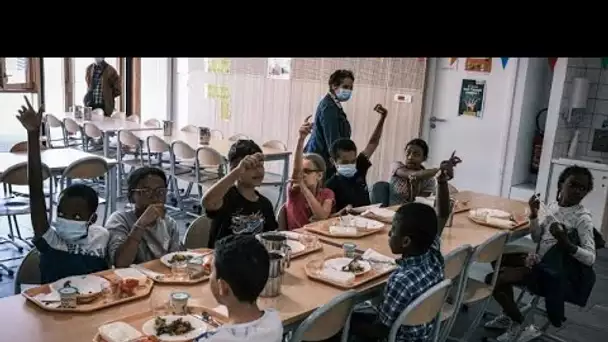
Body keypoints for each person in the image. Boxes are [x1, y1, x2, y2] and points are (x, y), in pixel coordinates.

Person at [349, 153, 461, 341]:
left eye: (393, 231)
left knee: (340, 323)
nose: (389, 234)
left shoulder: (400, 281)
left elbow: (381, 331)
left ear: (406, 241)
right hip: (423, 333)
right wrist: (441, 183)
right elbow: (442, 215)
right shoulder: (433, 253)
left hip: (396, 337)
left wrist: (345, 322)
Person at [485, 165, 596, 342]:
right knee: (497, 260)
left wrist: (566, 244)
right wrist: (534, 214)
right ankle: (509, 314)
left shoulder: (583, 219)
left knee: (494, 279)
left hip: (555, 273)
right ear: (561, 184)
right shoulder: (553, 206)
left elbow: (590, 259)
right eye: (573, 185)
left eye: (583, 188)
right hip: (539, 262)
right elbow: (537, 238)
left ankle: (521, 325)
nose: (577, 191)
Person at [16, 96, 109, 283]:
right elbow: (36, 192)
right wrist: (33, 135)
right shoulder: (51, 240)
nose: (66, 219)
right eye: (61, 213)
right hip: (56, 305)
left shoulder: (102, 237)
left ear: (93, 219)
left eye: (76, 216)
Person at [195, 235, 283, 341]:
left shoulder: (213, 339)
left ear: (223, 287)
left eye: (212, 271)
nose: (210, 275)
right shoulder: (274, 322)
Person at [202, 140, 278, 248]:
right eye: (250, 167)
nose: (258, 171)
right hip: (223, 260)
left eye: (260, 165)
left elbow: (270, 238)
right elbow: (207, 202)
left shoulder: (265, 204)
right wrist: (237, 172)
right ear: (234, 169)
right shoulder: (225, 197)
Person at [106, 167, 182, 267]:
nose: (155, 197)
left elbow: (175, 261)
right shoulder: (119, 220)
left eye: (160, 191)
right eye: (146, 191)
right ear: (131, 197)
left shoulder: (169, 224)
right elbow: (120, 264)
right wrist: (141, 224)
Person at [325, 105, 388, 212]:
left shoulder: (359, 167)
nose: (350, 165)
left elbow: (373, 143)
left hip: (367, 218)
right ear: (333, 161)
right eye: (345, 162)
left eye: (353, 161)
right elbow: (327, 215)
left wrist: (383, 118)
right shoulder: (330, 185)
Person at [304, 69, 355, 180]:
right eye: (345, 87)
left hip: (323, 159)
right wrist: (341, 165)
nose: (349, 91)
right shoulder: (329, 107)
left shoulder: (333, 104)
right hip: (321, 162)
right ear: (334, 86)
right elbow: (333, 141)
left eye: (351, 88)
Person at [285, 121, 335, 230]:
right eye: (301, 171)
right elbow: (296, 170)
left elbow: (322, 216)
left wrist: (304, 187)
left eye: (307, 171)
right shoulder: (295, 190)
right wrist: (301, 139)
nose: (302, 175)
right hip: (296, 239)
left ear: (319, 175)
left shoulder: (327, 193)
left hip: (318, 238)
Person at [390, 138, 439, 204]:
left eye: (416, 154)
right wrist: (440, 169)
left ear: (424, 158)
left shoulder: (429, 180)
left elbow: (419, 203)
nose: (410, 157)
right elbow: (413, 175)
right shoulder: (396, 166)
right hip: (389, 210)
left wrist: (414, 189)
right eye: (408, 153)